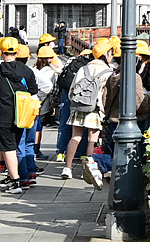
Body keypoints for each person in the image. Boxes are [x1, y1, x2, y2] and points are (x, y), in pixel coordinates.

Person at [62, 39, 113, 180]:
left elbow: (72, 90)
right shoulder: (108, 71)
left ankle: (67, 168)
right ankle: (89, 169)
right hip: (95, 109)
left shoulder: (83, 68)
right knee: (92, 139)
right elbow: (105, 95)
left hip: (79, 107)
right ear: (106, 54)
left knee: (75, 137)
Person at [0, 38, 31, 193]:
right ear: (17, 52)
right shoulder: (25, 69)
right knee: (14, 145)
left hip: (3, 115)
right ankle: (13, 177)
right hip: (22, 114)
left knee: (9, 148)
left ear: (1, 52)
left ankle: (15, 182)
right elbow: (34, 89)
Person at [10, 44, 40, 186]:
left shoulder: (10, 72)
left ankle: (22, 177)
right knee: (29, 143)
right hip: (32, 108)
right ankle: (31, 173)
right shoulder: (29, 71)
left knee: (19, 144)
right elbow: (35, 89)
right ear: (28, 58)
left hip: (18, 110)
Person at [34, 44, 61, 160]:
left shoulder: (35, 68)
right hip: (43, 102)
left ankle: (32, 149)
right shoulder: (50, 71)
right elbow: (53, 88)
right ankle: (36, 149)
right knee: (38, 127)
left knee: (33, 126)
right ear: (48, 58)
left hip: (32, 100)